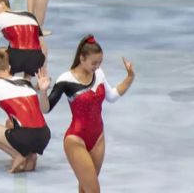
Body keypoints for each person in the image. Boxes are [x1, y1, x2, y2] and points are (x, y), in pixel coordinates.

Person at [39, 35, 135, 193]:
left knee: (85, 188)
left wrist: (130, 78)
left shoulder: (99, 73)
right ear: (82, 58)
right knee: (94, 190)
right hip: (76, 139)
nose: (97, 66)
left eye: (100, 62)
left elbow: (111, 96)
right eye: (94, 63)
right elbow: (46, 109)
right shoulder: (66, 79)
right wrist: (43, 91)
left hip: (98, 138)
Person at [0, 49, 51, 173]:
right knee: (10, 123)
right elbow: (40, 111)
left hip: (25, 136)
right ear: (9, 67)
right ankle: (31, 155)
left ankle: (17, 155)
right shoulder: (26, 82)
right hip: (44, 135)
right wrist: (43, 91)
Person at [0, 0, 46, 78]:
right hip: (36, 59)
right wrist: (42, 74)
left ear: (2, 5)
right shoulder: (30, 15)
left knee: (1, 51)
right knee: (31, 50)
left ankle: (7, 78)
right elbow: (43, 47)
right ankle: (27, 80)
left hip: (16, 59)